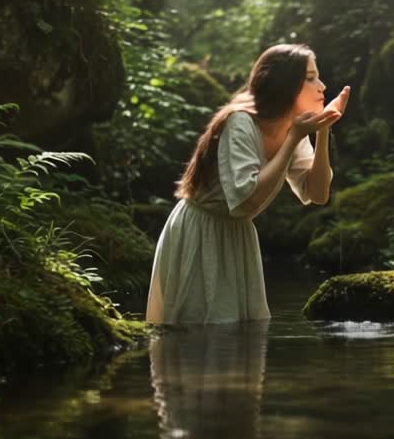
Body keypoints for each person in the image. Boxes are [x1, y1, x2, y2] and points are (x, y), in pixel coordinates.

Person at [145, 44, 349, 324]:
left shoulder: (295, 128)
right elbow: (244, 200)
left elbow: (317, 193)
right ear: (285, 85)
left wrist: (323, 129)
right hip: (201, 230)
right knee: (198, 332)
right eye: (311, 78)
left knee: (240, 336)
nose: (322, 86)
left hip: (238, 235)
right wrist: (294, 138)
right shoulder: (241, 123)